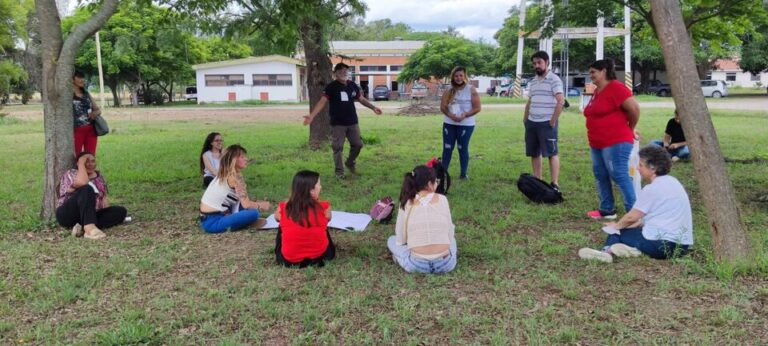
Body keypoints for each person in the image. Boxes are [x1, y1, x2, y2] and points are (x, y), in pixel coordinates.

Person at [578, 146, 693, 263]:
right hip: (681, 247)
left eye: (641, 165)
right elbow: (642, 221)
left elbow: (631, 217)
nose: (637, 168)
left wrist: (615, 227)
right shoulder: (674, 182)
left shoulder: (652, 188)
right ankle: (634, 250)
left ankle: (605, 253)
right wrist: (621, 224)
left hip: (660, 246)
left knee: (618, 232)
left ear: (653, 168)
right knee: (627, 230)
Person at [582, 59, 641, 220]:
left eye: (593, 72)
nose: (591, 75)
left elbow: (634, 109)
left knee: (619, 174)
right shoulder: (596, 91)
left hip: (616, 141)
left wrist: (631, 128)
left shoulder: (616, 88)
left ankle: (633, 213)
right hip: (597, 142)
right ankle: (607, 209)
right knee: (600, 173)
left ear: (604, 71)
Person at [303, 62, 383, 178]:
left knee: (358, 144)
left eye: (345, 71)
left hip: (352, 122)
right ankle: (339, 173)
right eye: (340, 71)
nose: (343, 73)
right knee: (337, 148)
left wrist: (373, 107)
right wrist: (312, 116)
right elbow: (322, 102)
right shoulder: (331, 87)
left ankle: (350, 162)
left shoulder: (352, 85)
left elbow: (361, 99)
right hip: (338, 124)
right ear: (335, 74)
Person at [387, 165, 457, 274]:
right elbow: (449, 233)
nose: (437, 183)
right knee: (452, 240)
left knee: (391, 240)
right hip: (446, 264)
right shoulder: (443, 199)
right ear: (429, 184)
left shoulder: (407, 202)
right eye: (436, 181)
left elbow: (401, 239)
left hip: (416, 265)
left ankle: (401, 258)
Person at [199, 144, 271, 233]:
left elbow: (242, 201)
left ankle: (242, 221)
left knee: (245, 207)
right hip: (213, 222)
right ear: (233, 160)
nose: (246, 159)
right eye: (242, 157)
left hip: (207, 218)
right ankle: (245, 222)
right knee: (254, 213)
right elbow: (247, 204)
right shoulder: (235, 178)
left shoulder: (224, 173)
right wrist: (261, 205)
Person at [56, 152, 128, 240]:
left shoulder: (99, 177)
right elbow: (83, 182)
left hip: (89, 215)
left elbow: (103, 198)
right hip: (68, 214)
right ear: (79, 163)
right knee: (86, 189)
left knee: (120, 211)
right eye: (86, 161)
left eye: (93, 161)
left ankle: (82, 227)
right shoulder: (71, 173)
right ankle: (89, 229)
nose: (90, 164)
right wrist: (81, 163)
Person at [274, 170, 336, 267]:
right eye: (319, 185)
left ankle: (293, 249)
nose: (321, 187)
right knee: (323, 224)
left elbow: (277, 218)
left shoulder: (283, 208)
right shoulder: (324, 207)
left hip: (289, 262)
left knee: (282, 225)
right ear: (311, 191)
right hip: (320, 258)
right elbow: (329, 217)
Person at [523, 51, 565, 190]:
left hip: (547, 123)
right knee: (534, 153)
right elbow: (530, 100)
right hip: (532, 122)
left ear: (547, 62)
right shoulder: (533, 81)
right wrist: (525, 118)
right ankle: (538, 181)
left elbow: (561, 101)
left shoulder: (554, 79)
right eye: (534, 63)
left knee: (551, 153)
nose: (537, 66)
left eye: (539, 62)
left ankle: (555, 183)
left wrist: (553, 121)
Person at [440, 66, 481, 180]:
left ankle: (463, 174)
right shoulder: (448, 89)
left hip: (466, 124)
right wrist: (450, 115)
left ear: (465, 76)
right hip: (449, 123)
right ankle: (443, 173)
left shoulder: (471, 89)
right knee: (447, 148)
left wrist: (465, 115)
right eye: (456, 75)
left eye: (461, 75)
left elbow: (477, 108)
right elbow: (443, 107)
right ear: (453, 76)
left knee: (462, 148)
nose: (458, 78)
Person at [72, 70, 102, 156]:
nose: (82, 80)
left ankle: (89, 170)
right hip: (76, 131)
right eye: (79, 77)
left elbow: (98, 110)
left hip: (91, 130)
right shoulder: (68, 95)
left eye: (83, 77)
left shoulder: (86, 93)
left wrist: (95, 114)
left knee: (90, 157)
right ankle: (78, 170)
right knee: (76, 157)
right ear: (72, 79)